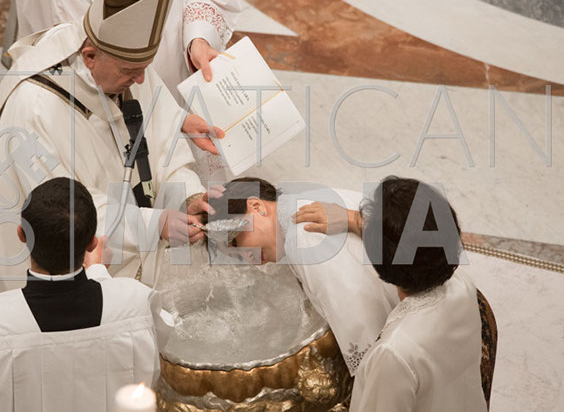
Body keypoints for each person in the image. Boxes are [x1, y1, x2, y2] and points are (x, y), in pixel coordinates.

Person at [0, 0, 217, 307]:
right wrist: (154, 224)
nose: (141, 80)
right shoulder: (34, 108)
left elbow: (164, 147)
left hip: (120, 253)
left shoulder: (126, 65)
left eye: (145, 68)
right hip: (52, 270)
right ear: (90, 55)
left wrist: (189, 196)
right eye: (131, 72)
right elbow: (65, 213)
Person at [0, 177, 171, 411]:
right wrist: (98, 274)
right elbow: (164, 354)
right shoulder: (139, 304)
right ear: (92, 243)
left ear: (21, 235)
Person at [13, 0, 242, 180]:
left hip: (177, 86)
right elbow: (88, 69)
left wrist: (199, 38)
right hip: (113, 117)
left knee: (190, 188)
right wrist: (173, 118)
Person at [294, 176, 487, 412]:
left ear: (380, 267)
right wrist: (353, 219)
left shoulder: (392, 355)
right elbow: (420, 241)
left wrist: (360, 223)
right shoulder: (463, 287)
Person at [206, 177, 399, 377]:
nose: (249, 258)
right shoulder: (305, 203)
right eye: (239, 257)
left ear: (257, 206)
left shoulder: (304, 235)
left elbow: (365, 329)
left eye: (237, 242)